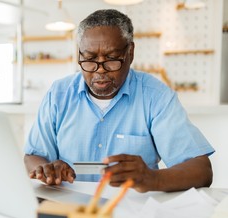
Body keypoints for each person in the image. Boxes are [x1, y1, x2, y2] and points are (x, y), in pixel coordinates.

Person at [23, 9, 214, 193]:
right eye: (89, 59)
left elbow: (201, 170)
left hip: (132, 210)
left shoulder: (156, 96)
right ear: (79, 54)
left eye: (112, 59)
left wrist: (152, 178)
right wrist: (46, 170)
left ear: (130, 53)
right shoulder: (59, 94)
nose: (99, 70)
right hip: (69, 210)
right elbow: (33, 156)